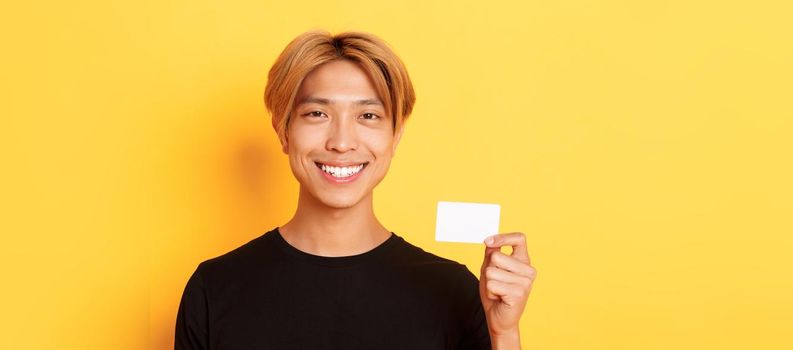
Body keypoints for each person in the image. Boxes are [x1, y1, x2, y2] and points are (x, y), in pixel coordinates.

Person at [175, 30, 537, 350]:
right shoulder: (214, 289)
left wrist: (503, 333)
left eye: (368, 116)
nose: (342, 142)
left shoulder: (455, 291)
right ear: (283, 131)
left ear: (395, 137)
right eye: (317, 113)